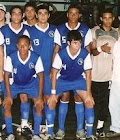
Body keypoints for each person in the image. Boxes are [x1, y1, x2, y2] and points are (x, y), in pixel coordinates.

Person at [47, 30, 96, 140]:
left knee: (89, 101)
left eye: (79, 42)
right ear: (68, 43)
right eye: (75, 43)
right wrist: (53, 93)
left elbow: (88, 75)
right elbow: (54, 73)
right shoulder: (61, 54)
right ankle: (53, 132)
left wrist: (88, 93)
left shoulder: (84, 54)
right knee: (52, 101)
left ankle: (87, 133)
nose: (78, 45)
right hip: (63, 80)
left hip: (78, 80)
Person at [53, 5, 93, 139]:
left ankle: (80, 130)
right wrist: (54, 70)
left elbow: (87, 49)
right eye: (71, 13)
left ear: (79, 15)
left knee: (79, 98)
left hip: (78, 72)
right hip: (63, 72)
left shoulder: (85, 29)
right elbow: (56, 49)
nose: (73, 16)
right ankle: (61, 129)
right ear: (67, 14)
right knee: (64, 97)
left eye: (76, 13)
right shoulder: (60, 29)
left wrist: (84, 65)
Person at [24, 4, 56, 138]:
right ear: (36, 15)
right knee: (37, 100)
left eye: (45, 13)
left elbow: (57, 50)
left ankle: (48, 129)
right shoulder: (29, 31)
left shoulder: (55, 30)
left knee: (49, 100)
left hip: (49, 72)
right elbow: (25, 52)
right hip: (34, 73)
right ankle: (36, 128)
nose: (43, 15)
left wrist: (54, 70)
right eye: (40, 13)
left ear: (48, 15)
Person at [3, 35, 44, 140]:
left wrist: (40, 97)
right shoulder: (11, 57)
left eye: (25, 45)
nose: (22, 48)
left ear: (29, 46)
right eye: (20, 45)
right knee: (7, 104)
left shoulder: (36, 57)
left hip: (30, 84)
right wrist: (8, 95)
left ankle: (35, 134)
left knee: (39, 105)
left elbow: (41, 76)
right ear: (17, 46)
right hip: (15, 84)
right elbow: (6, 75)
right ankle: (9, 133)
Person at [90, 8, 118, 138]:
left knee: (105, 103)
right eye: (105, 18)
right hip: (95, 73)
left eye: (110, 17)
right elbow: (92, 51)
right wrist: (102, 48)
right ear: (101, 19)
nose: (107, 20)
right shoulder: (95, 31)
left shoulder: (116, 33)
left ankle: (100, 127)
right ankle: (88, 126)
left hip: (109, 75)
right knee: (92, 102)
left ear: (113, 18)